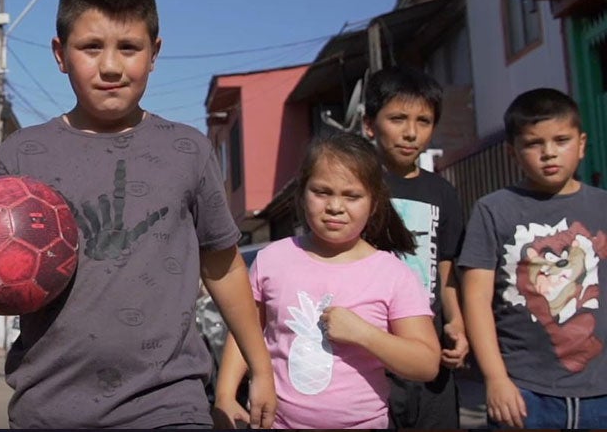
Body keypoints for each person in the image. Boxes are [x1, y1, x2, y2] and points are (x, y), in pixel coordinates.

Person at [0, 0, 276, 429]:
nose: (110, 66)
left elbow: (225, 266)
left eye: (128, 47)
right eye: (91, 47)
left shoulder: (187, 150)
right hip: (48, 408)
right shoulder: (22, 156)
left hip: (168, 405)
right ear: (59, 53)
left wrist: (261, 365)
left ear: (154, 52)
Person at [213, 132, 440, 429]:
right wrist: (225, 394)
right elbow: (246, 329)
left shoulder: (393, 274)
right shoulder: (272, 259)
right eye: (321, 192)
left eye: (352, 196)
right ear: (301, 194)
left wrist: (364, 333)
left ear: (373, 204)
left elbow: (426, 364)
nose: (335, 206)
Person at [459, 87, 607, 428]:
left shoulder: (602, 206)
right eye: (533, 143)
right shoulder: (493, 210)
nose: (549, 153)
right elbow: (477, 299)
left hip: (601, 391)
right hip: (524, 392)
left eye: (561, 140)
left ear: (582, 145)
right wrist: (495, 379)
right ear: (512, 152)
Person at [361, 65, 468, 428]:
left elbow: (446, 265)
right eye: (397, 118)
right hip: (368, 355)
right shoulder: (355, 190)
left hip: (428, 353)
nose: (411, 132)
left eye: (423, 121)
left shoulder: (443, 193)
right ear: (369, 125)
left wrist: (455, 321)